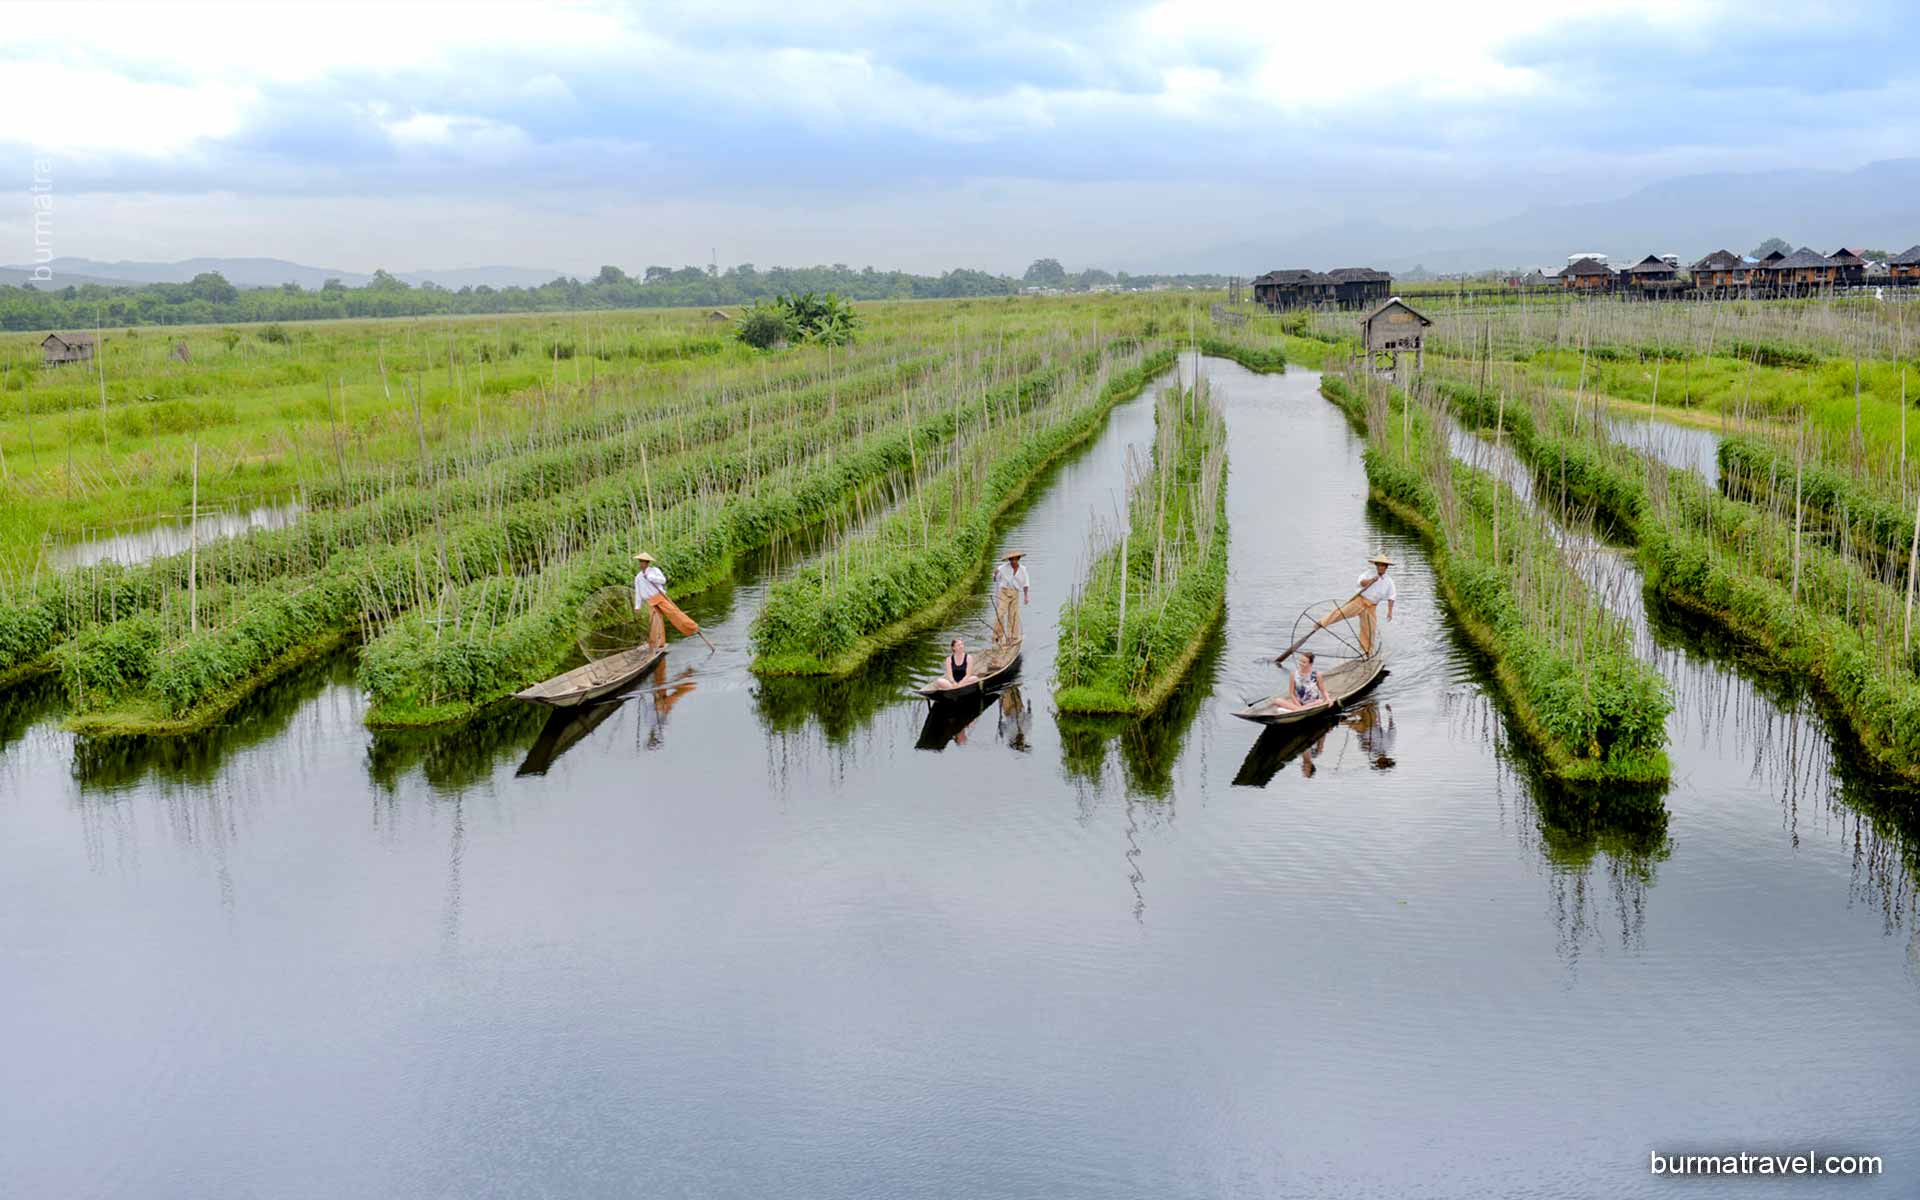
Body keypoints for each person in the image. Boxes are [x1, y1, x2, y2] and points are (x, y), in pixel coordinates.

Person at [1316, 551, 1396, 656]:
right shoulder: (1369, 574)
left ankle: (1367, 652)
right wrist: (1371, 580)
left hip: (1371, 607)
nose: (1381, 567)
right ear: (1376, 565)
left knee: (1369, 630)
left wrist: (1390, 611)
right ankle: (1321, 623)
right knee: (1341, 612)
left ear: (1386, 567)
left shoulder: (1389, 581)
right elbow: (1361, 583)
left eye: (1383, 566)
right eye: (1379, 565)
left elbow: (1392, 597)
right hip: (1360, 601)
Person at [631, 551, 700, 650]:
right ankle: (658, 643)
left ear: (647, 563)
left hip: (659, 597)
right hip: (650, 601)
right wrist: (637, 606)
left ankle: (692, 627)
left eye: (642, 561)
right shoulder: (638, 577)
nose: (641, 564)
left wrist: (651, 578)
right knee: (655, 622)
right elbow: (638, 592)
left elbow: (663, 580)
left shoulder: (654, 571)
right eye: (640, 561)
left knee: (674, 613)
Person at [990, 550, 1031, 646]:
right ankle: (997, 636)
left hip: (1015, 593)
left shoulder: (1023, 570)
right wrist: (995, 574)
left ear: (1018, 559)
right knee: (1000, 613)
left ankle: (1012, 636)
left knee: (1013, 615)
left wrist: (1026, 596)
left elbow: (1026, 584)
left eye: (1015, 559)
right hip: (1004, 591)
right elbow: (994, 578)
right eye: (1011, 559)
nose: (1013, 561)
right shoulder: (1002, 568)